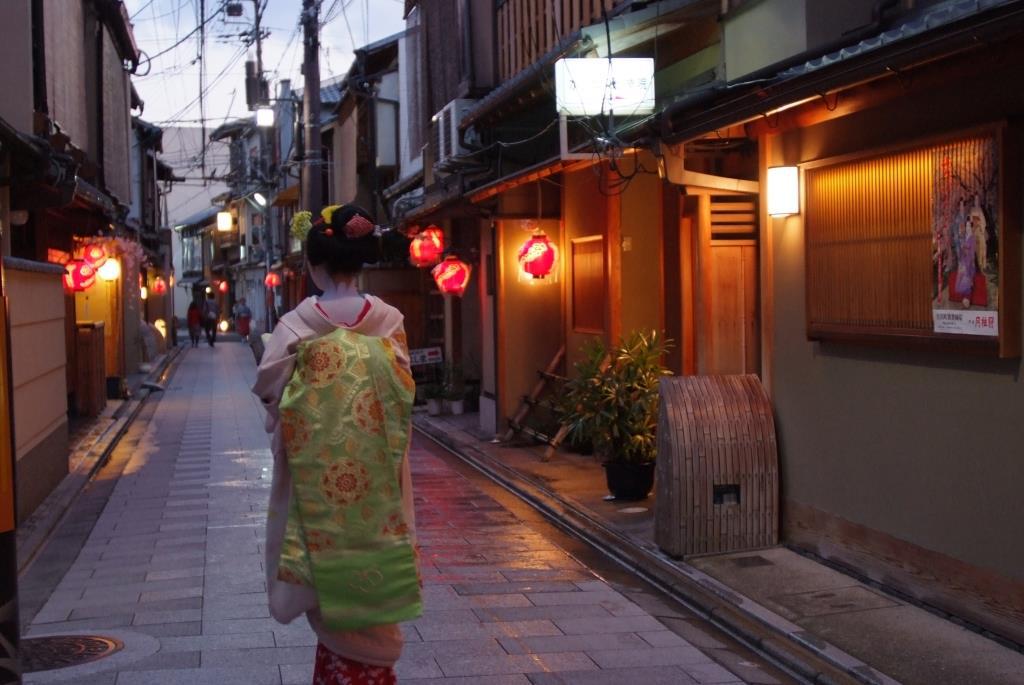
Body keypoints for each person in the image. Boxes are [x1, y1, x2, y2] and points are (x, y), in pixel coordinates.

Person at [252, 204, 420, 685]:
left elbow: (270, 392)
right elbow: (402, 395)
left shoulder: (296, 325)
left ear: (312, 266)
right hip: (377, 478)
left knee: (322, 578)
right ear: (361, 262)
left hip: (316, 480)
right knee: (374, 576)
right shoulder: (388, 321)